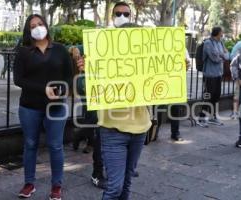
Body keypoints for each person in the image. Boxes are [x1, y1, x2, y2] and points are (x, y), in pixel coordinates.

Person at [77, 2, 151, 200]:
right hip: (113, 130)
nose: (122, 16)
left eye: (125, 13)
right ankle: (97, 171)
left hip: (140, 129)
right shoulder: (101, 47)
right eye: (118, 13)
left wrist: (177, 68)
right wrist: (85, 69)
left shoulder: (145, 56)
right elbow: (84, 87)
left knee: (126, 185)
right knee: (114, 189)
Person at [13, 14, 73, 200]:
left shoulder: (60, 50)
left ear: (46, 26)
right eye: (33, 26)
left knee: (55, 146)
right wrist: (43, 89)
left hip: (56, 107)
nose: (38, 28)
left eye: (40, 24)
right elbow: (18, 79)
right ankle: (29, 184)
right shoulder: (23, 52)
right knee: (30, 144)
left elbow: (69, 77)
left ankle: (56, 186)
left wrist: (63, 90)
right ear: (28, 31)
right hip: (30, 106)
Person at [70, 46, 106, 189]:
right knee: (95, 123)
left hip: (109, 94)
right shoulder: (90, 44)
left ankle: (80, 135)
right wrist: (74, 50)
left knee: (95, 124)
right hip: (90, 91)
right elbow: (71, 49)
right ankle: (98, 172)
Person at [197, 26, 229, 127]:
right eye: (221, 33)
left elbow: (228, 55)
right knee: (208, 96)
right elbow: (214, 58)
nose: (222, 35)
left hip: (219, 73)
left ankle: (212, 117)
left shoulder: (220, 42)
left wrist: (222, 56)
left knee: (216, 96)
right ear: (217, 33)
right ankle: (201, 118)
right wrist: (222, 56)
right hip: (209, 74)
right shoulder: (208, 43)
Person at [156, 50, 191, 141]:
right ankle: (154, 132)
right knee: (159, 108)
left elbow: (187, 64)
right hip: (160, 81)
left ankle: (175, 133)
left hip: (174, 81)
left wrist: (186, 65)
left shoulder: (181, 47)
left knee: (175, 109)